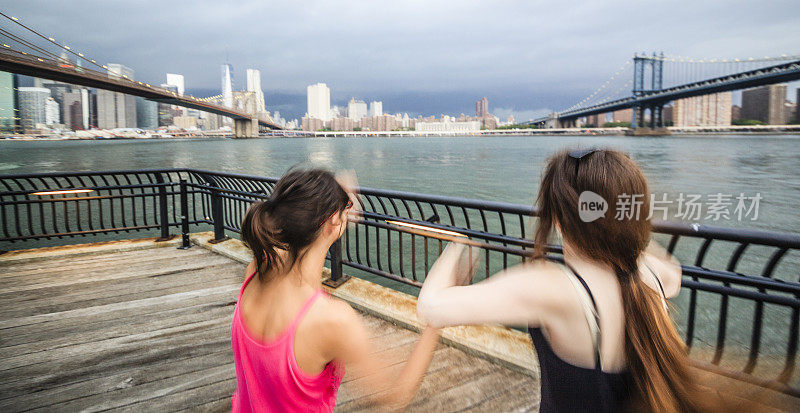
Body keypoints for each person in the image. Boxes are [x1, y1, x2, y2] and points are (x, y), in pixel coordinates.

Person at [416, 148, 719, 412]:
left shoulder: (556, 289)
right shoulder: (652, 273)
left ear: (559, 221)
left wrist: (459, 243)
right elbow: (674, 275)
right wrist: (624, 226)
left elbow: (430, 308)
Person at [231, 167, 440, 412]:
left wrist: (335, 209)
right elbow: (395, 393)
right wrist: (436, 322)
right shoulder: (332, 320)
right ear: (334, 221)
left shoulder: (255, 271)